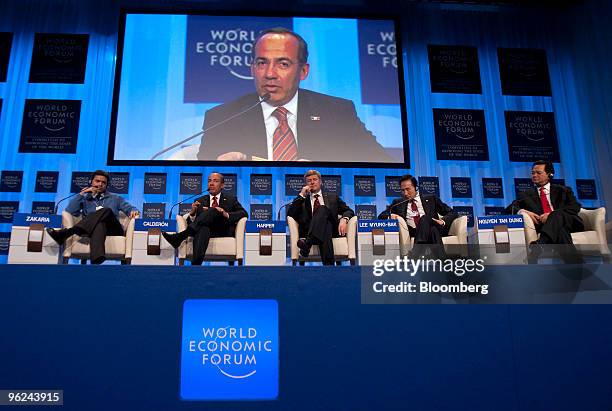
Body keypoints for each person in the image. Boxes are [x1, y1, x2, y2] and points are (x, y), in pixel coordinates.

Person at [197, 27, 393, 163]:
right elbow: (204, 179)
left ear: (303, 71)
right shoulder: (221, 118)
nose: (270, 74)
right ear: (252, 69)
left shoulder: (338, 113)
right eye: (262, 63)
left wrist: (325, 170)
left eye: (283, 64)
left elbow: (381, 163)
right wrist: (219, 168)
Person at [46, 170, 139, 264]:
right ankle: (96, 260)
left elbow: (130, 208)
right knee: (100, 224)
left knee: (106, 210)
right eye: (97, 181)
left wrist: (134, 211)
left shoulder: (115, 198)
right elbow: (70, 210)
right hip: (90, 230)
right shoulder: (85, 198)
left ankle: (67, 232)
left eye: (103, 182)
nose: (100, 184)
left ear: (106, 185)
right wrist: (82, 194)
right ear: (91, 182)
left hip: (114, 230)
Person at [162, 172, 247, 265]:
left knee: (214, 211)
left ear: (222, 185)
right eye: (209, 181)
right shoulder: (200, 200)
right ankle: (196, 266)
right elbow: (195, 223)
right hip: (205, 230)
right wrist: (192, 214)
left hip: (223, 230)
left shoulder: (231, 199)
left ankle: (180, 236)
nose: (211, 183)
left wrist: (225, 213)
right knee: (203, 228)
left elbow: (243, 213)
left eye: (215, 181)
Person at [505, 160, 583, 249]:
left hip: (570, 222)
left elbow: (575, 207)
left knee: (556, 215)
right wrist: (521, 211)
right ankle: (575, 261)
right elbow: (509, 208)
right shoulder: (526, 194)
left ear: (550, 175)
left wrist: (551, 215)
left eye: (538, 173)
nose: (534, 175)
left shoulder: (563, 190)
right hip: (546, 226)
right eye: (533, 173)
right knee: (561, 231)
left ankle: (542, 243)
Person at [287, 169, 354, 265]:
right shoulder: (302, 200)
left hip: (333, 230)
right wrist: (301, 195)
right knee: (325, 227)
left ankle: (307, 244)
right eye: (309, 181)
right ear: (306, 184)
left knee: (322, 209)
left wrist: (344, 219)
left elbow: (348, 211)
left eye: (315, 179)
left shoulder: (333, 197)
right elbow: (291, 213)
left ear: (320, 182)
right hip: (312, 230)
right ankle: (329, 268)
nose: (312, 182)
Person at [378, 174, 457, 255]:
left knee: (425, 219)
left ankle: (416, 253)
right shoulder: (398, 203)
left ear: (415, 187)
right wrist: (390, 216)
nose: (405, 193)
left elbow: (452, 212)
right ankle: (443, 261)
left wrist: (443, 221)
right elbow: (381, 216)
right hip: (414, 231)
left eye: (408, 189)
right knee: (433, 230)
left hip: (433, 224)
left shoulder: (431, 198)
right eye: (402, 190)